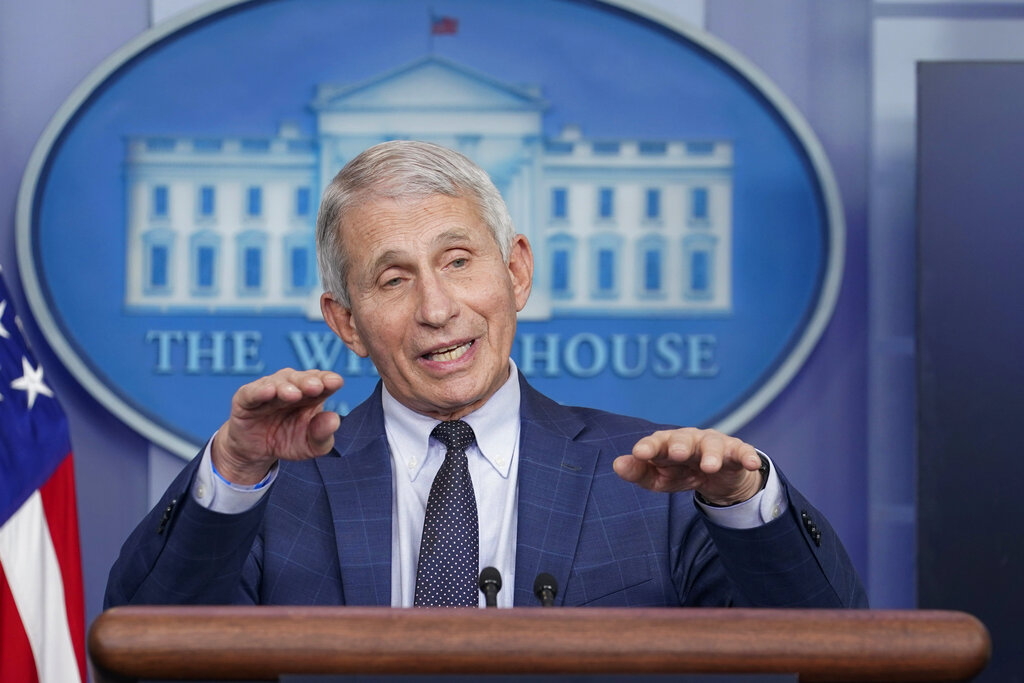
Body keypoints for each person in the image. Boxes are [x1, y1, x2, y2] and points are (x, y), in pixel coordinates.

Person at [105, 140, 866, 609]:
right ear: (346, 322)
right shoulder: (271, 490)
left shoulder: (654, 483)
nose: (438, 308)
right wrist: (235, 472)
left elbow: (828, 653)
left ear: (517, 273)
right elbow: (138, 654)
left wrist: (743, 504)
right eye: (394, 278)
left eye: (458, 262)